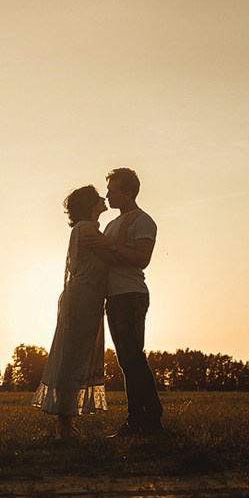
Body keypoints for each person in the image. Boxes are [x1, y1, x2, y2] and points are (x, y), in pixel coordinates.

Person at [32, 185, 110, 441]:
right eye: (98, 197)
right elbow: (113, 254)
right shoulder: (87, 229)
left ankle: (66, 424)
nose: (104, 199)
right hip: (84, 298)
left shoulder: (87, 229)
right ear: (90, 205)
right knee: (73, 356)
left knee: (77, 355)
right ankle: (63, 426)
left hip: (87, 297)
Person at [91, 167, 164, 436]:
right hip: (114, 297)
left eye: (112, 190)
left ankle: (152, 420)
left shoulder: (143, 221)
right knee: (125, 361)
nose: (107, 195)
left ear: (128, 193)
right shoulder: (111, 225)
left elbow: (142, 258)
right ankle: (136, 421)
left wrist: (110, 248)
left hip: (132, 295)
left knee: (134, 357)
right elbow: (112, 258)